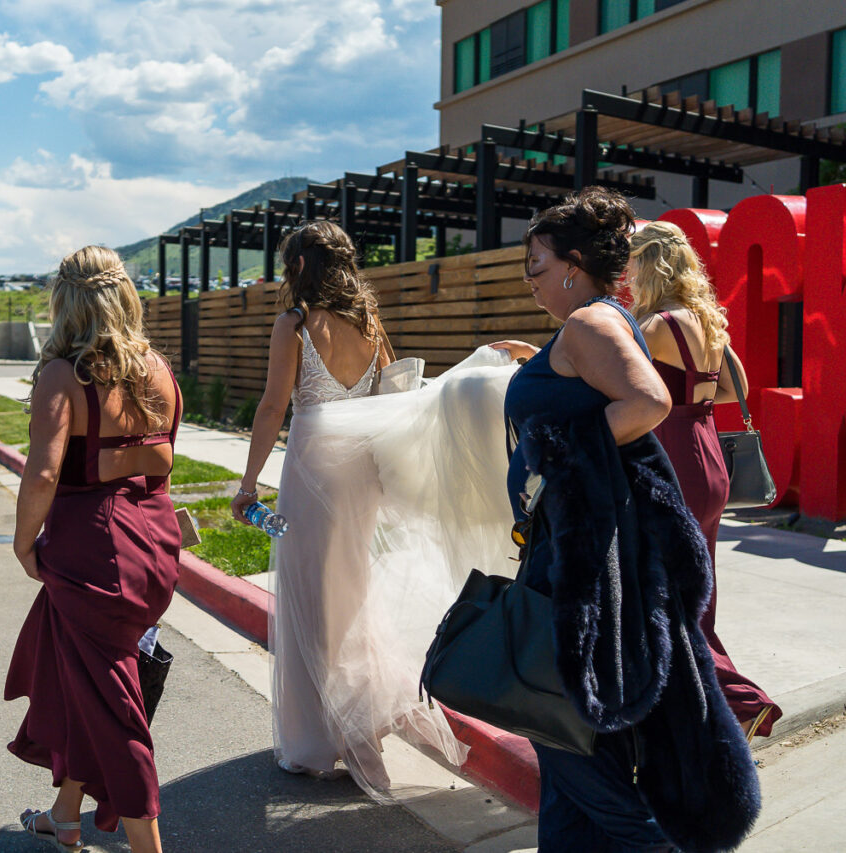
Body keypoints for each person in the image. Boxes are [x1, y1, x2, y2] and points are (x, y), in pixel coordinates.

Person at [491, 188, 760, 852]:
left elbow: (648, 401)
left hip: (580, 570)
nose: (530, 279)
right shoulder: (601, 321)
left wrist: (553, 460)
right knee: (573, 765)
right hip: (584, 555)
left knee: (573, 749)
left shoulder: (592, 322)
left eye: (537, 264)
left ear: (576, 264)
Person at [231, 220, 502, 798]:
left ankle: (319, 741)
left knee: (311, 599)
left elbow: (273, 405)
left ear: (299, 266)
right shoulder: (369, 325)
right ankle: (360, 727)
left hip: (311, 473)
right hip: (362, 477)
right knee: (351, 595)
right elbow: (391, 403)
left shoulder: (295, 325)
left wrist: (248, 486)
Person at [5, 246, 181, 853]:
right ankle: (65, 815)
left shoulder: (63, 374)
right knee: (78, 679)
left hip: (93, 555)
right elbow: (160, 463)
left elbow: (43, 473)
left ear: (65, 303)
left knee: (115, 712)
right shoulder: (157, 368)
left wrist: (25, 543)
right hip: (155, 544)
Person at [627, 220, 782, 741]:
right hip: (708, 455)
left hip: (671, 455)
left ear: (647, 268)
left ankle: (742, 701)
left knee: (663, 594)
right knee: (699, 593)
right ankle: (697, 715)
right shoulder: (708, 321)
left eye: (630, 264)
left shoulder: (652, 329)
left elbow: (608, 387)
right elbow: (730, 389)